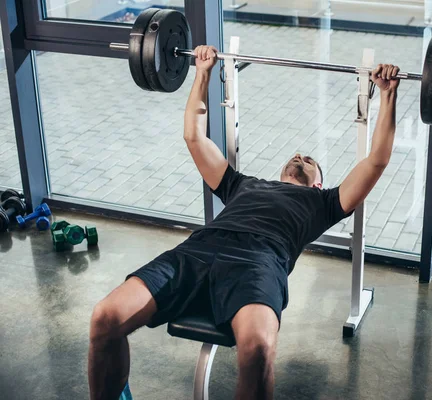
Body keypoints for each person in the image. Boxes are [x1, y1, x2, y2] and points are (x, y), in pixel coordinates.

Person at [88, 45, 400, 400]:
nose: (299, 156)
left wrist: (387, 96)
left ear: (318, 182)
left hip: (259, 263)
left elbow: (376, 161)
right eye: (296, 155)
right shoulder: (243, 184)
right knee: (105, 318)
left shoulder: (325, 202)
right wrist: (202, 71)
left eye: (309, 159)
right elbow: (194, 137)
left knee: (258, 351)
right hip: (196, 251)